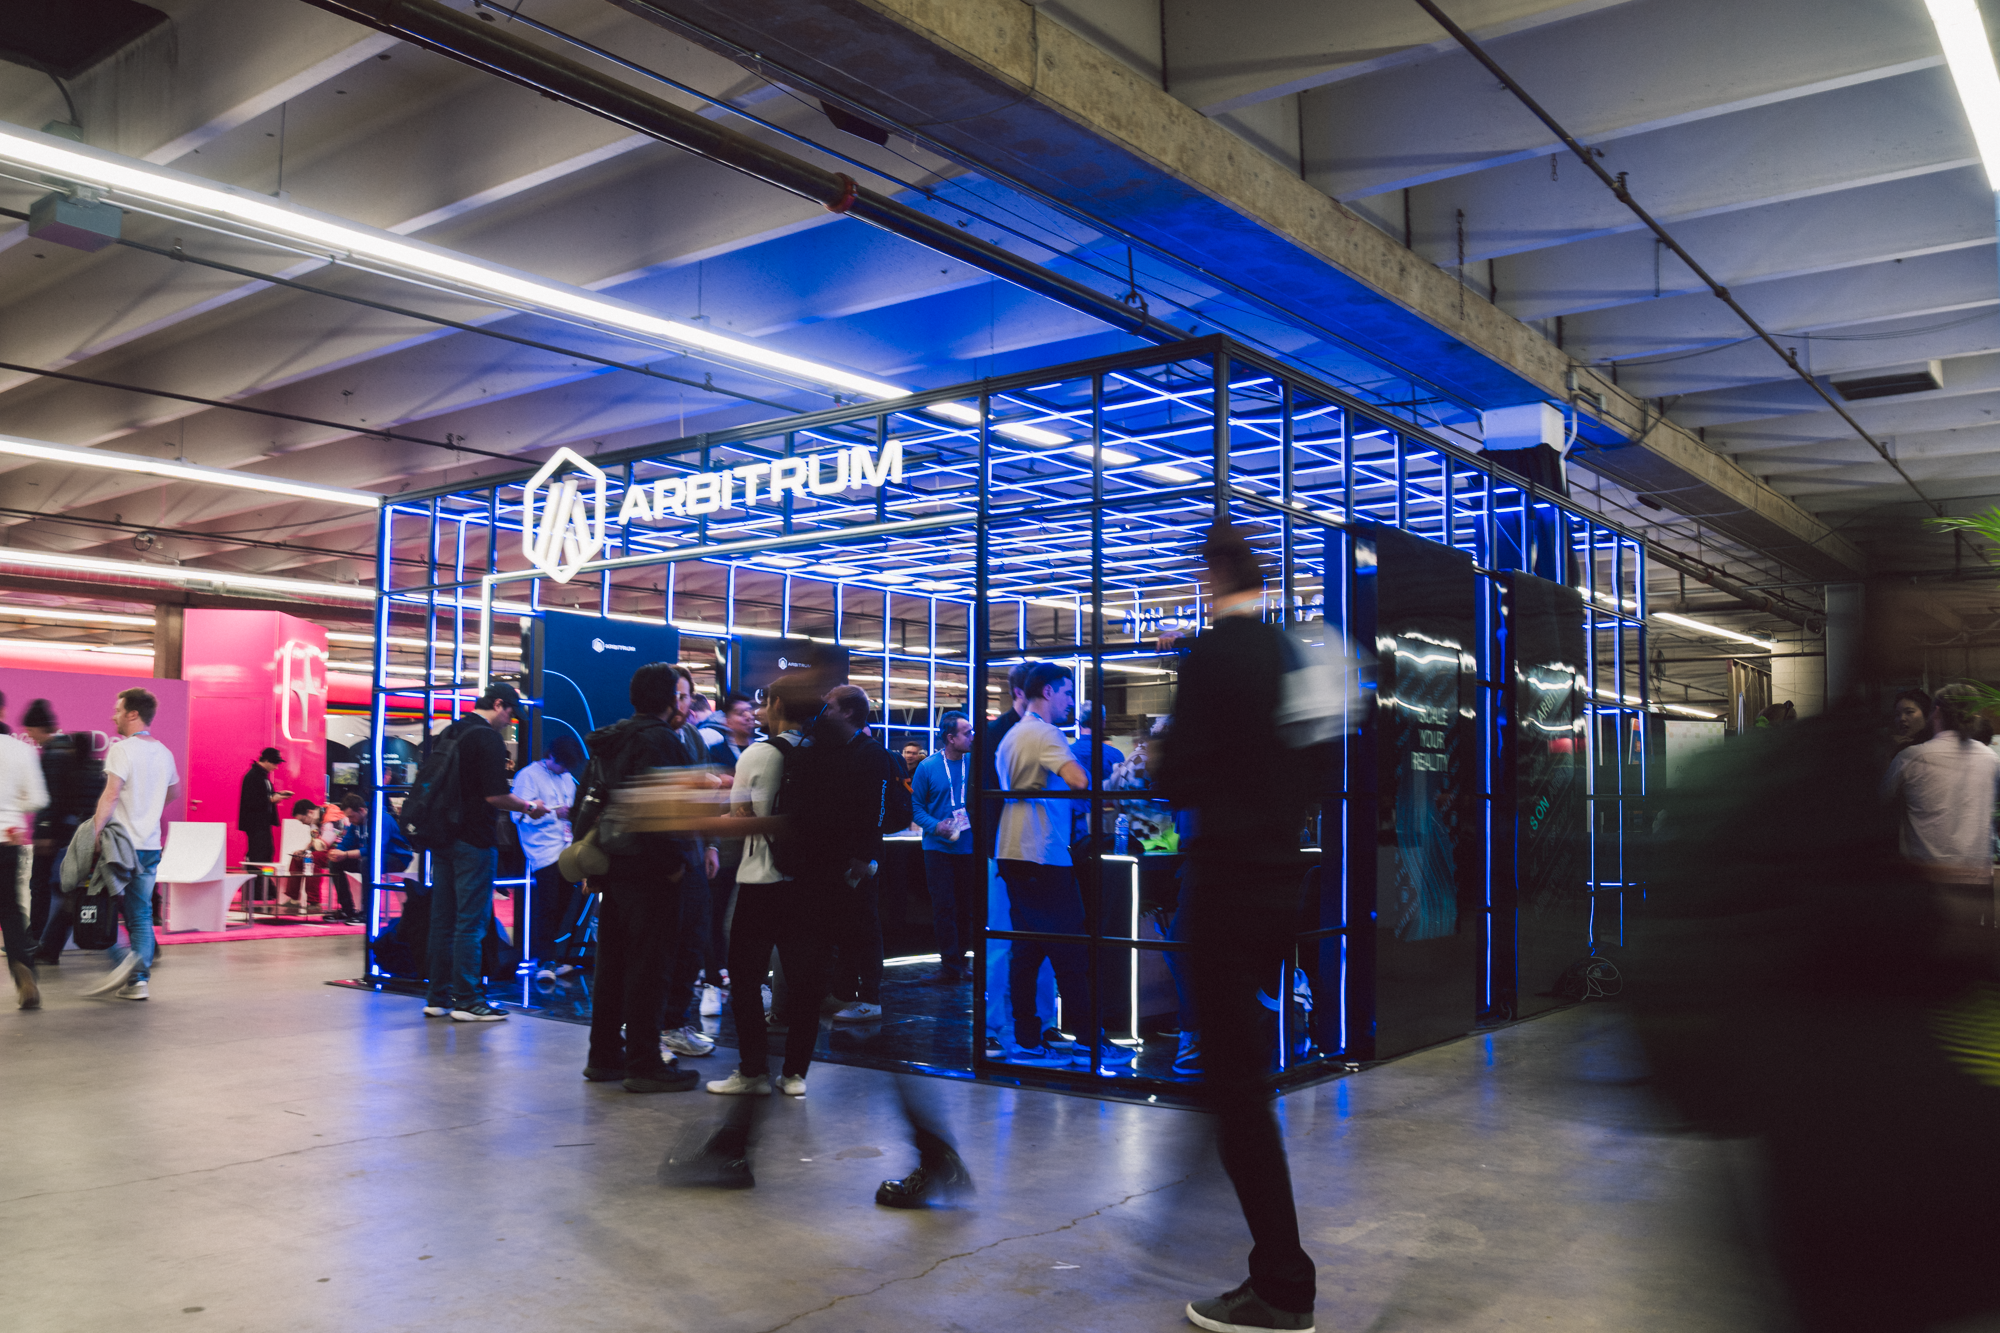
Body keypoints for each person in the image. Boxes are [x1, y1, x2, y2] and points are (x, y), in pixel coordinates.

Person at [1154, 522, 1318, 1333]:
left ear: (1215, 576)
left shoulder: (1212, 655)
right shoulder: (1296, 654)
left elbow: (1176, 770)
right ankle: (1267, 1260)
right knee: (1239, 1067)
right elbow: (1322, 757)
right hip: (1280, 881)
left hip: (1221, 882)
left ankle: (1283, 1284)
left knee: (1236, 1086)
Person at [996, 661, 1132, 1069]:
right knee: (1071, 951)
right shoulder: (1045, 733)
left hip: (1014, 850)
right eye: (1068, 692)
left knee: (1028, 949)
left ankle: (1025, 1038)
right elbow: (1078, 780)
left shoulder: (1014, 734)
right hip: (1042, 852)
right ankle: (1089, 1041)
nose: (1072, 700)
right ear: (1049, 691)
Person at [582, 663, 703, 1092]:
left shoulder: (611, 739)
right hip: (652, 874)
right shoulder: (661, 740)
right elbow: (666, 812)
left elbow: (588, 800)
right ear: (669, 698)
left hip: (613, 868)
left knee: (612, 965)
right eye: (683, 696)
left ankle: (604, 1055)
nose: (687, 705)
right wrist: (674, 865)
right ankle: (644, 1062)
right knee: (651, 968)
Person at [704, 675, 816, 1099]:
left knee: (747, 979)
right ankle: (795, 1074)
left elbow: (739, 816)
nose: (758, 711)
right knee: (803, 981)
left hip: (760, 879)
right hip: (806, 886)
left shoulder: (758, 753)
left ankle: (752, 1071)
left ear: (779, 704)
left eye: (764, 703)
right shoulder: (823, 754)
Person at [422, 683, 546, 1024]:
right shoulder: (487, 738)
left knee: (443, 920)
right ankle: (468, 1000)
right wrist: (529, 806)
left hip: (443, 837)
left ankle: (437, 997)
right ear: (498, 704)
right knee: (471, 922)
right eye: (510, 714)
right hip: (474, 840)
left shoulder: (452, 731)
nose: (509, 722)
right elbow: (495, 796)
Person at [79, 688, 180, 1004]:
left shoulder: (122, 750)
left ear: (133, 714)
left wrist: (93, 835)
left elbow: (110, 795)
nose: (114, 715)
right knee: (140, 914)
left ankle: (123, 963)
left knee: (95, 906)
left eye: (118, 709)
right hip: (149, 845)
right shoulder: (164, 752)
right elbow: (174, 792)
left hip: (120, 846)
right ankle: (138, 981)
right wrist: (148, 809)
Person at [821, 684, 910, 1024]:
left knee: (865, 926)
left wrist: (865, 856)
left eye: (830, 706)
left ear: (847, 712)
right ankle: (845, 994)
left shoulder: (869, 753)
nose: (824, 712)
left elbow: (874, 809)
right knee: (847, 926)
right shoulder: (845, 749)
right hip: (850, 857)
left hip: (863, 859)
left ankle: (870, 998)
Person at [1883, 683, 2000, 932]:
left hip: (1927, 882)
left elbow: (1879, 802)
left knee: (1924, 955)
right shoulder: (1990, 758)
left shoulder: (1912, 757)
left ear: (1935, 713)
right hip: (1976, 880)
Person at [701, 692, 759, 1011]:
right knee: (716, 911)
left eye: (751, 712)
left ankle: (743, 973)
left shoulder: (763, 751)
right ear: (726, 719)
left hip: (754, 845)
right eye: (741, 713)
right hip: (723, 844)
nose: (749, 717)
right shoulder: (714, 751)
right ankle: (714, 974)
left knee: (746, 914)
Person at [911, 711, 978, 985]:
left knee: (967, 909)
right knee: (944, 908)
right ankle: (949, 965)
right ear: (951, 738)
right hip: (938, 849)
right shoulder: (927, 767)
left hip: (969, 847)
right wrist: (936, 826)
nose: (972, 737)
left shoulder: (975, 764)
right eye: (967, 732)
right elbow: (915, 808)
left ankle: (964, 964)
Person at [32, 728, 105, 964]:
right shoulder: (100, 772)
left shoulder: (72, 772)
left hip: (75, 841)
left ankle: (49, 950)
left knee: (68, 895)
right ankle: (49, 949)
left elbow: (66, 808)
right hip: (97, 840)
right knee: (84, 895)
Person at [510, 735, 581, 972]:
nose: (564, 771)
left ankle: (551, 957)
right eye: (562, 765)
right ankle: (545, 959)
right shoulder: (528, 776)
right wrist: (554, 813)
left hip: (566, 847)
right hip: (543, 850)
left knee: (564, 903)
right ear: (551, 755)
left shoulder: (567, 777)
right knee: (548, 906)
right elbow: (516, 815)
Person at [0, 711, 48, 1008]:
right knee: (10, 911)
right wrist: (13, 808)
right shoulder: (22, 749)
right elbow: (39, 799)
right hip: (8, 836)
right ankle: (25, 974)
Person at [323, 794, 406, 925]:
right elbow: (346, 844)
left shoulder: (381, 819)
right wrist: (336, 852)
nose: (350, 820)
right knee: (336, 862)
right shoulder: (356, 823)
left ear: (362, 810)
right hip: (371, 858)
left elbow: (376, 849)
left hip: (396, 858)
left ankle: (368, 913)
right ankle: (347, 910)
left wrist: (345, 854)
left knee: (368, 862)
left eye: (351, 816)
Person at [237, 747, 290, 866]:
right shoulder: (253, 776)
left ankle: (262, 881)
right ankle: (257, 881)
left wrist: (277, 795)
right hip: (255, 823)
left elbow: (262, 796)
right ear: (266, 761)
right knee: (259, 854)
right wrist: (272, 799)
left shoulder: (262, 776)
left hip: (262, 822)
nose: (276, 767)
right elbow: (251, 801)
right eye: (274, 763)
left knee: (266, 853)